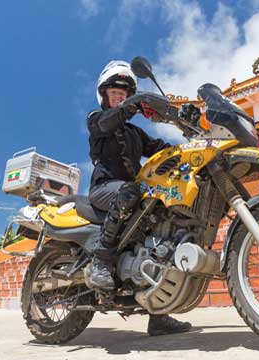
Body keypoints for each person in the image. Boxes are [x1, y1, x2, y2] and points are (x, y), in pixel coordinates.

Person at [85, 60, 192, 336]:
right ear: (104, 96)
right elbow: (109, 122)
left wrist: (189, 149)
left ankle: (158, 315)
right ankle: (101, 261)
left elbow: (161, 149)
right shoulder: (96, 120)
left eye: (126, 94)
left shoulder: (135, 133)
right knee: (130, 190)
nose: (120, 98)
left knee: (161, 222)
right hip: (105, 189)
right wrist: (134, 103)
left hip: (130, 195)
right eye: (115, 94)